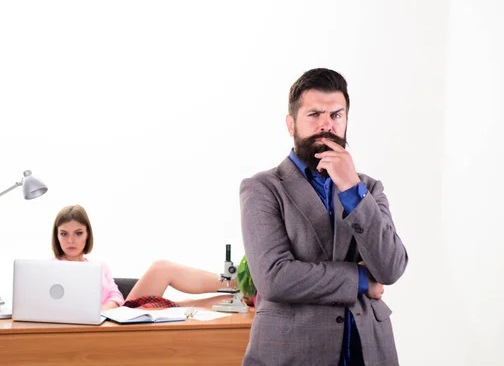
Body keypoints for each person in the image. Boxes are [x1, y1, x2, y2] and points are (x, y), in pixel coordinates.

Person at [239, 68, 408, 366]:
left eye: (336, 115)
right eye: (314, 114)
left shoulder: (367, 188)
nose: (326, 125)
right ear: (291, 124)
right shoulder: (262, 189)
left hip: (368, 350)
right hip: (292, 351)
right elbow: (275, 278)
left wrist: (351, 189)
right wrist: (360, 279)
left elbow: (391, 267)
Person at [51, 204, 236, 311]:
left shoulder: (100, 266)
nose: (71, 240)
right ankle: (240, 285)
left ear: (87, 235)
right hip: (96, 326)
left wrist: (104, 310)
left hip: (115, 316)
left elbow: (115, 295)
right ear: (57, 236)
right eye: (64, 234)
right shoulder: (51, 269)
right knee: (170, 290)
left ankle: (240, 289)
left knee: (165, 276)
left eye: (78, 233)